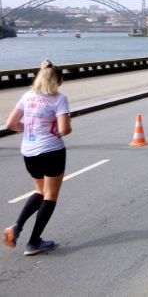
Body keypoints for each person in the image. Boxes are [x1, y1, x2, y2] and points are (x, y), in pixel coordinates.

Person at [3, 60, 72, 256]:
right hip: (51, 150)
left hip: (29, 152)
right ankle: (34, 242)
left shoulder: (27, 96)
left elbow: (11, 124)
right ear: (58, 81)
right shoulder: (59, 99)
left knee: (40, 191)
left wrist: (30, 129)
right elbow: (64, 129)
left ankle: (17, 226)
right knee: (50, 195)